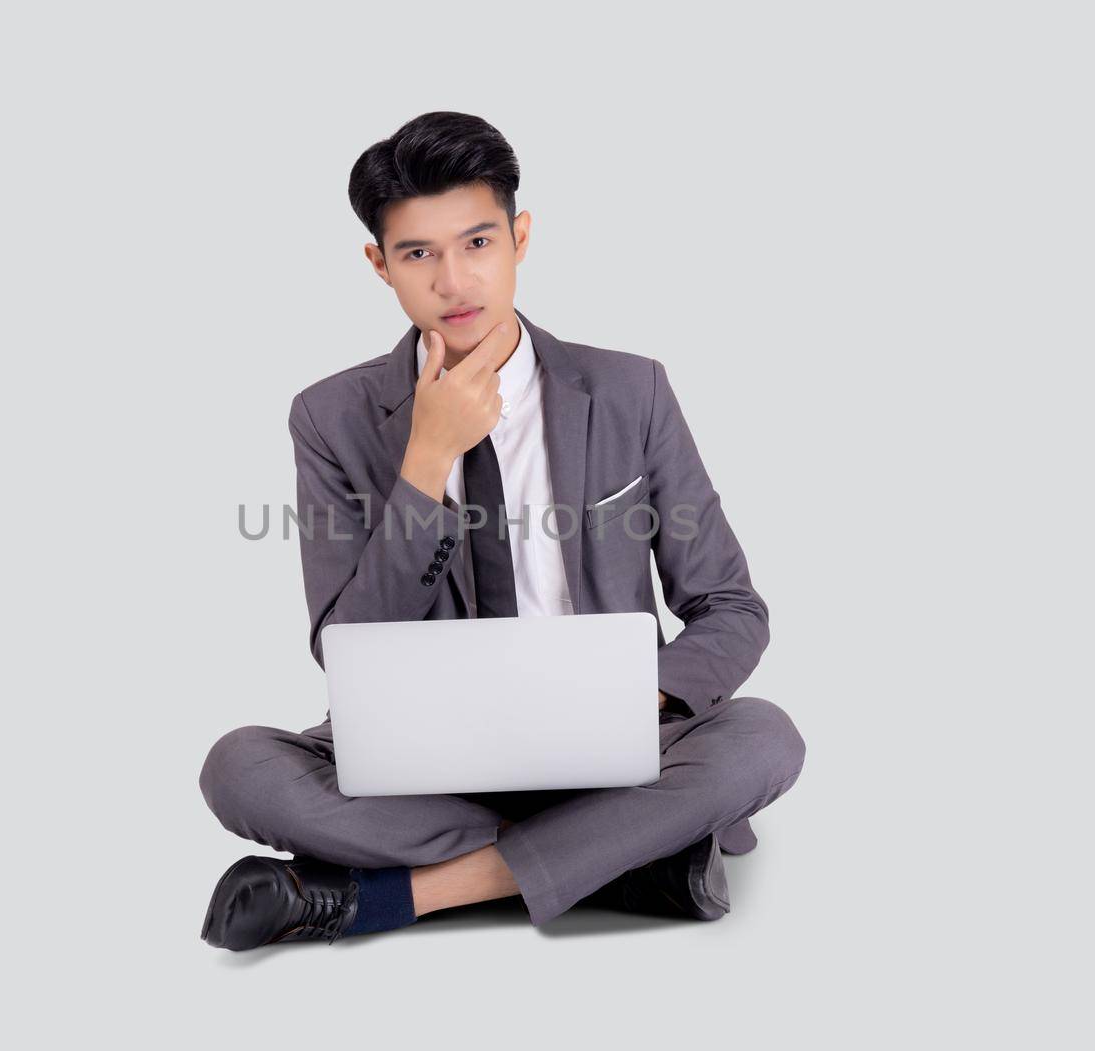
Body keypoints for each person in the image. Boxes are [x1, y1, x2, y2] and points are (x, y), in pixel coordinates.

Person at [199, 111, 806, 951]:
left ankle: (399, 896)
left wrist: (636, 701)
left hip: (617, 749)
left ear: (520, 238)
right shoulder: (330, 418)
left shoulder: (631, 392)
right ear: (380, 265)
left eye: (478, 243)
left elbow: (732, 605)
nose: (454, 281)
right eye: (419, 254)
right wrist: (427, 457)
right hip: (424, 763)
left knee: (764, 738)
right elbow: (344, 644)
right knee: (239, 767)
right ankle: (633, 858)